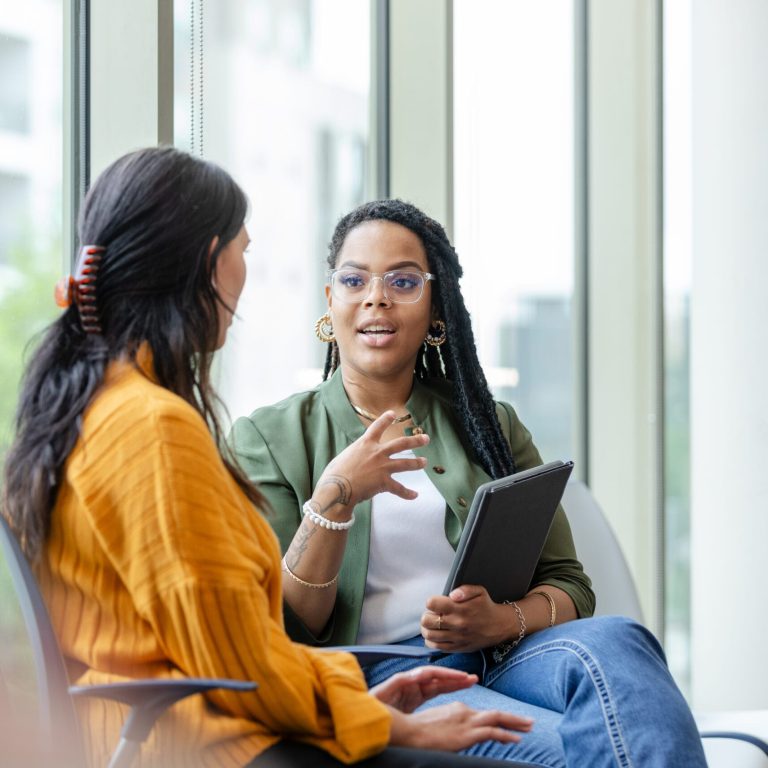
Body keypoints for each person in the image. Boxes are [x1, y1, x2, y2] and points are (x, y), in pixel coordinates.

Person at [0, 149, 538, 768]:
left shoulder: (96, 409)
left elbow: (231, 648)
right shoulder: (152, 430)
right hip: (207, 745)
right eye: (244, 249)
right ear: (211, 262)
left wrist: (362, 704)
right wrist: (383, 722)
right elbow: (236, 660)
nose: (376, 300)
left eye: (403, 281)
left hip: (185, 727)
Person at [229, 199, 709, 767]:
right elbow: (292, 623)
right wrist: (337, 492)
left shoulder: (490, 425)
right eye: (354, 279)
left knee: (623, 642)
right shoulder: (266, 437)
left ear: (436, 311)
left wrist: (498, 621)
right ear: (330, 301)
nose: (376, 296)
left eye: (403, 280)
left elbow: (570, 585)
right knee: (566, 752)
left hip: (511, 653)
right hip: (388, 673)